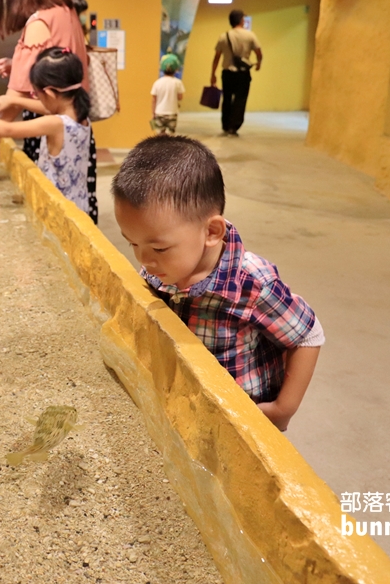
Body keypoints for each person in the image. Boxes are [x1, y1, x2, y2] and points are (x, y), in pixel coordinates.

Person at [112, 135, 323, 430]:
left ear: (211, 231)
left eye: (159, 248)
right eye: (132, 244)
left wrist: (282, 409)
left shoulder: (253, 284)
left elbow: (307, 335)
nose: (144, 261)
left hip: (241, 420)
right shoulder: (162, 268)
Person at [0, 0, 98, 223]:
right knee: (79, 207)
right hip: (77, 122)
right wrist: (16, 62)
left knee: (51, 208)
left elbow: (15, 94)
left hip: (48, 126)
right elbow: (61, 59)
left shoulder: (38, 21)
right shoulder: (66, 9)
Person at [0, 48, 92, 216]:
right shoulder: (80, 115)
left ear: (48, 93)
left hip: (58, 211)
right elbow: (47, 107)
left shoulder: (55, 123)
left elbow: (7, 129)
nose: (36, 99)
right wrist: (13, 100)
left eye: (37, 94)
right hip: (78, 205)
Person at [210, 9, 262, 137]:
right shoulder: (250, 35)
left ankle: (226, 125)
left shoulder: (224, 36)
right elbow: (259, 52)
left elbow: (217, 56)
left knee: (227, 98)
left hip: (227, 73)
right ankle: (234, 127)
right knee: (240, 99)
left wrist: (213, 74)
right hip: (243, 74)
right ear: (241, 20)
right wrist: (258, 63)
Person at [151, 54, 185, 134]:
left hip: (159, 112)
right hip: (172, 112)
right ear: (176, 69)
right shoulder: (178, 83)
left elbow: (153, 100)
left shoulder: (157, 83)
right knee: (171, 134)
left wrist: (153, 113)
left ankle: (160, 146)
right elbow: (180, 97)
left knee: (159, 134)